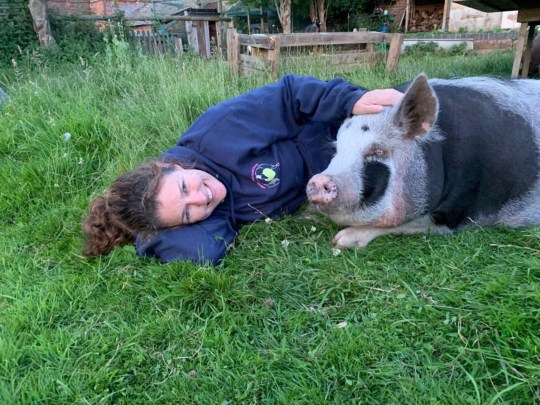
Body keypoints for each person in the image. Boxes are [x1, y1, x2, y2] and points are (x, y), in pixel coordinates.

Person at [83, 74, 403, 265]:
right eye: (186, 214)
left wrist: (352, 99)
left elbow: (289, 94)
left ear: (173, 165)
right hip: (352, 175)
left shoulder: (218, 132)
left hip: (351, 128)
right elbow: (206, 251)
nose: (200, 198)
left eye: (184, 187)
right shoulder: (213, 213)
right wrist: (148, 237)